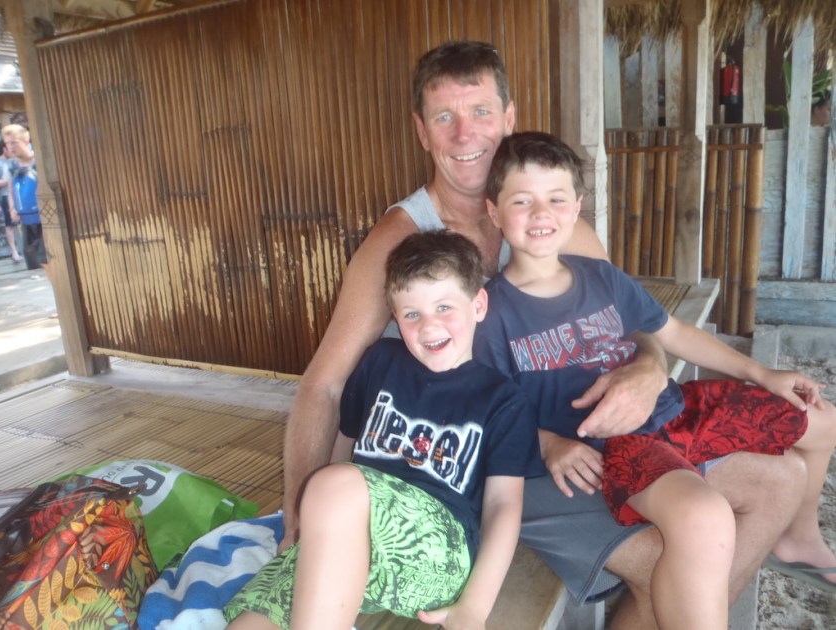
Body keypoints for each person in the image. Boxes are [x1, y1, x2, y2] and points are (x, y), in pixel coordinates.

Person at [281, 40, 808, 629]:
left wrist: (648, 367)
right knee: (670, 558)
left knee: (783, 479)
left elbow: (628, 327)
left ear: (509, 117)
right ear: (421, 131)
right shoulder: (399, 243)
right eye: (444, 117)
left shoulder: (553, 221)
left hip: (596, 438)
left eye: (481, 111)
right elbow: (326, 385)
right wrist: (297, 517)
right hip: (491, 462)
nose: (465, 134)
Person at [474, 131, 836, 628]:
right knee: (703, 516)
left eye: (556, 199)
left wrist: (762, 372)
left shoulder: (601, 277)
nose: (541, 213)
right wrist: (547, 443)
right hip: (619, 445)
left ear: (577, 206)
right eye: (522, 200)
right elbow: (486, 408)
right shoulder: (491, 313)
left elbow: (674, 333)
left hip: (675, 409)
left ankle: (800, 537)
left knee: (817, 416)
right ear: (494, 211)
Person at [226, 230, 543, 629]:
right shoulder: (379, 361)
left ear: (478, 304)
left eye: (444, 307)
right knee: (249, 624)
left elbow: (503, 507)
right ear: (395, 316)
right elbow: (345, 445)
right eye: (412, 314)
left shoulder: (502, 399)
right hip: (355, 536)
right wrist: (318, 524)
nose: (429, 326)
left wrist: (474, 607)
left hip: (438, 552)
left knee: (333, 485)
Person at [2, 124, 52, 285]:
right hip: (27, 219)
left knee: (48, 258)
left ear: (26, 141)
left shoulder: (39, 161)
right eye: (7, 143)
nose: (10, 147)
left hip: (45, 218)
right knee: (39, 260)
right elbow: (10, 187)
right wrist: (12, 207)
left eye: (14, 142)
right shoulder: (13, 165)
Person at [0, 139, 23, 263]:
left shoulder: (16, 161)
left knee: (25, 222)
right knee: (10, 225)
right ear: (4, 148)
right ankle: (14, 252)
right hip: (6, 196)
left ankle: (26, 249)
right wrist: (9, 181)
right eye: (9, 146)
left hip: (21, 194)